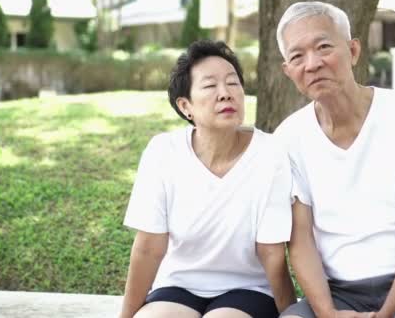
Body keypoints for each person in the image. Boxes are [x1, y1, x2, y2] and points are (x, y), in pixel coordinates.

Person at [273, 1, 395, 318]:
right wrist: (328, 314)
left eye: (324, 47)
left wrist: (386, 314)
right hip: (341, 293)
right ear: (288, 71)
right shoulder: (288, 139)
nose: (312, 64)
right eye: (297, 56)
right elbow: (300, 240)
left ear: (353, 51)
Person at [119, 40, 296, 318]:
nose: (225, 94)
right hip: (178, 286)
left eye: (233, 83)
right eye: (210, 86)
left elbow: (272, 254)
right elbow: (149, 248)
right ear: (185, 106)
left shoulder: (271, 153)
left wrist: (289, 313)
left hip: (249, 290)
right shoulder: (163, 151)